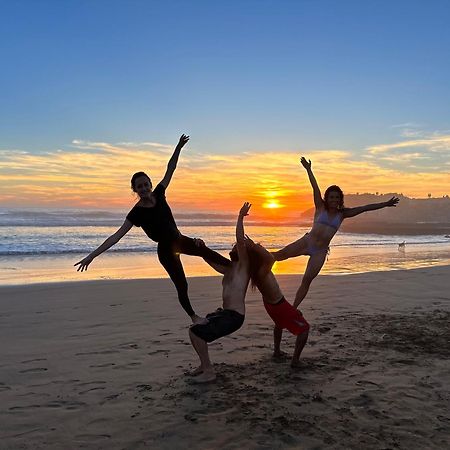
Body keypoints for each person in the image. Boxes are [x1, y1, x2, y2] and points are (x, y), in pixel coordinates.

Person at [74, 134, 230, 324]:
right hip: (165, 251)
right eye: (139, 186)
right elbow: (115, 237)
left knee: (205, 250)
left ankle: (235, 268)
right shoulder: (136, 213)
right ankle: (194, 317)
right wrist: (92, 256)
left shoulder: (160, 194)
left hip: (180, 239)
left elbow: (170, 169)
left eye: (146, 184)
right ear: (135, 190)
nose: (144, 188)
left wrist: (178, 148)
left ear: (150, 184)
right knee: (182, 285)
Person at [272, 157, 399, 308]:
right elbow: (315, 188)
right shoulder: (320, 207)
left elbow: (365, 207)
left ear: (340, 200)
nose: (334, 200)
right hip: (307, 242)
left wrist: (385, 204)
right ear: (327, 198)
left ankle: (293, 309)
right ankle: (252, 261)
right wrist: (309, 170)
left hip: (320, 251)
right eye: (331, 197)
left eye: (337, 198)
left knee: (306, 280)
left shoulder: (343, 214)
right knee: (278, 256)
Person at [187, 202, 252, 383]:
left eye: (235, 248)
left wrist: (240, 217)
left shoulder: (243, 268)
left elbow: (239, 239)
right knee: (194, 330)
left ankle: (209, 371)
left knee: (196, 333)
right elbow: (211, 261)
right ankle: (204, 366)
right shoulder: (229, 269)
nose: (232, 249)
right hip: (226, 313)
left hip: (235, 316)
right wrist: (202, 248)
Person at [245, 237, 309, 368]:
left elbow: (267, 257)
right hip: (278, 305)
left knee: (279, 324)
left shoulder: (255, 271)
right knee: (304, 329)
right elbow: (270, 258)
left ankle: (277, 352)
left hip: (270, 305)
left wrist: (253, 247)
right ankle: (295, 361)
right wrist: (255, 246)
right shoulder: (262, 271)